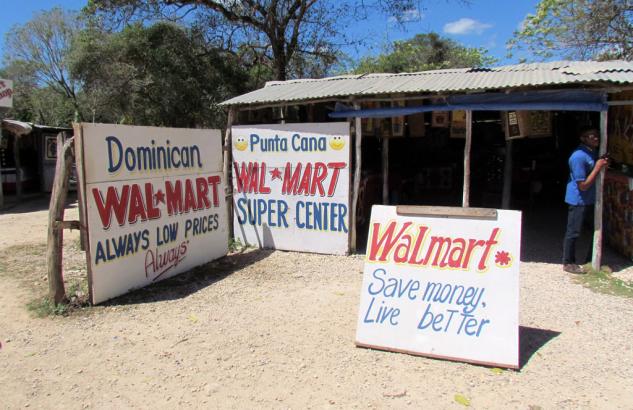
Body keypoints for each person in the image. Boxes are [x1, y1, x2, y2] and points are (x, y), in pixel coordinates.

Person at [562, 128, 609, 274]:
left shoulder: (591, 152)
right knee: (573, 231)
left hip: (590, 198)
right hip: (578, 199)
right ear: (583, 138)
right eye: (592, 136)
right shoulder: (578, 157)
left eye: (597, 135)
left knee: (597, 229)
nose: (596, 138)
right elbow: (583, 186)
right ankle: (568, 262)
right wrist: (598, 166)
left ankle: (591, 259)